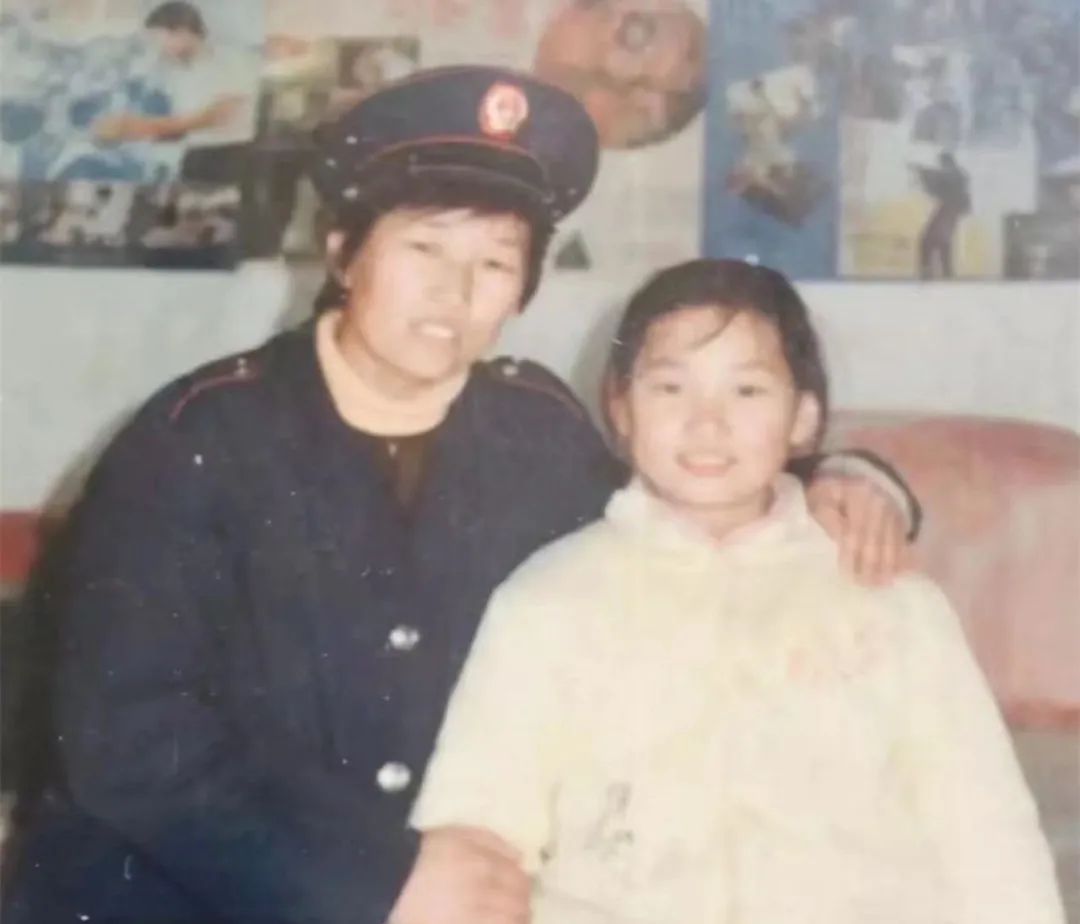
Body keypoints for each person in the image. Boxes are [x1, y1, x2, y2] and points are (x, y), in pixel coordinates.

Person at [4, 67, 918, 924]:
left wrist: (840, 480)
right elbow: (128, 742)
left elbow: (679, 513)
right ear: (343, 253)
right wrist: (380, 881)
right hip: (177, 893)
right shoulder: (196, 437)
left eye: (495, 263)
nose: (454, 293)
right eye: (424, 248)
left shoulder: (535, 430)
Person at [411, 258, 1065, 923]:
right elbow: (477, 831)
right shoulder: (546, 602)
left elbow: (986, 833)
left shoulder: (888, 600)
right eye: (670, 388)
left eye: (747, 391)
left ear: (803, 418)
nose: (707, 423)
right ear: (621, 408)